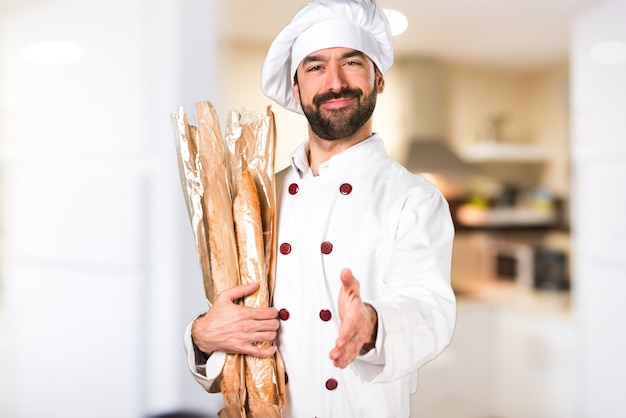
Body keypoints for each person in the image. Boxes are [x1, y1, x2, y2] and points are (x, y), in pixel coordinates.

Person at [184, 0, 456, 416]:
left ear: (378, 79)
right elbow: (229, 332)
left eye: (351, 63)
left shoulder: (414, 198)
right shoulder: (259, 193)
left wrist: (370, 326)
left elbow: (430, 310)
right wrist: (202, 336)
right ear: (297, 89)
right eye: (314, 67)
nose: (335, 82)